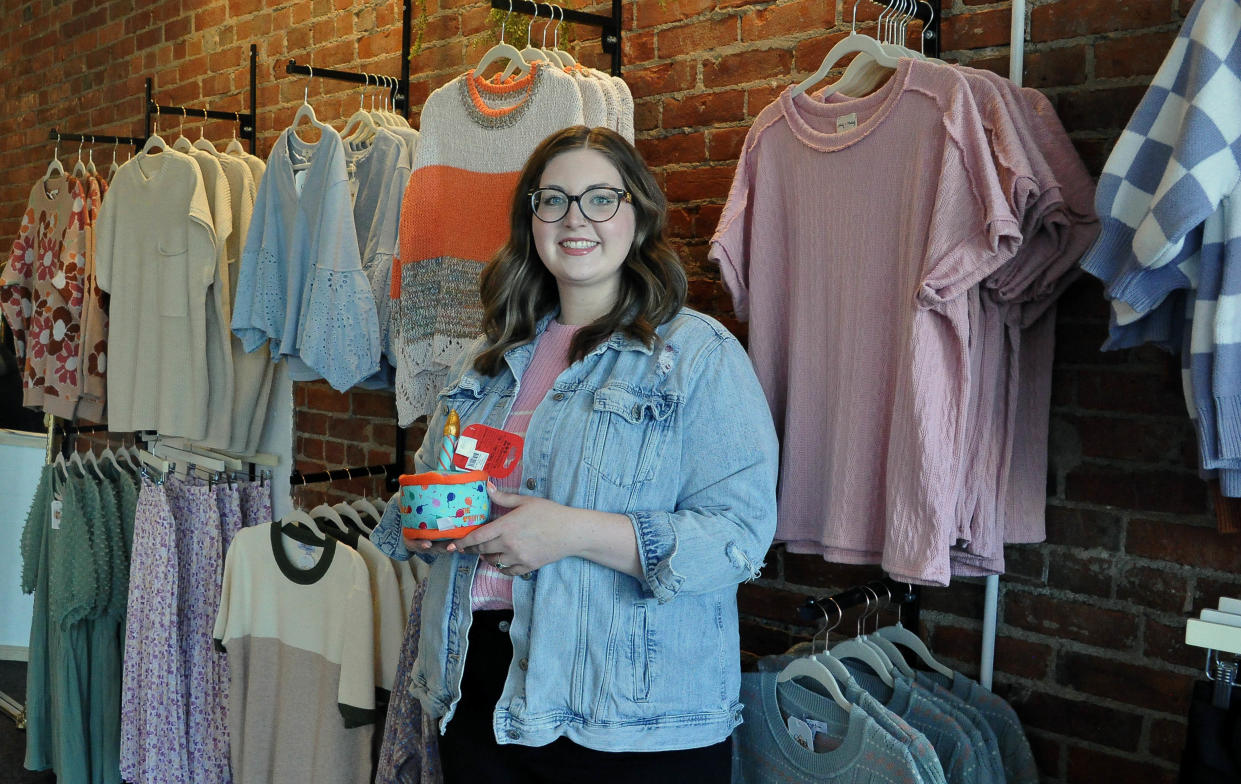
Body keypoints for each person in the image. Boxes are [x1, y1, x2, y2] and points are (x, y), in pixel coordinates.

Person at [371, 125, 779, 783]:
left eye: (599, 199)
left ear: (636, 215)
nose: (574, 218)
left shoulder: (695, 355)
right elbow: (434, 498)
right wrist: (426, 515)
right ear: (530, 219)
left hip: (627, 715)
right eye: (552, 200)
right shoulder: (487, 358)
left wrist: (569, 533)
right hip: (482, 689)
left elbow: (738, 540)